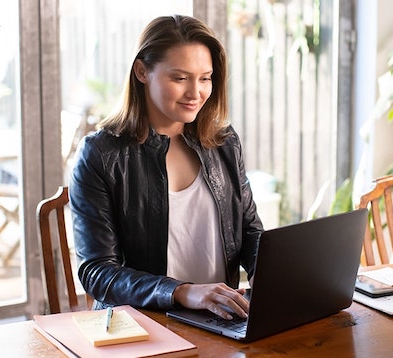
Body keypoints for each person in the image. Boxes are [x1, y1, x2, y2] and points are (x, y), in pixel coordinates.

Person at [69, 14, 263, 320]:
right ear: (142, 71)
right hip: (142, 325)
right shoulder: (101, 155)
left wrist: (271, 278)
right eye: (180, 78)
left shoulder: (224, 142)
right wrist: (183, 291)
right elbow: (97, 272)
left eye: (205, 78)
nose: (195, 93)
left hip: (221, 321)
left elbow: (250, 231)